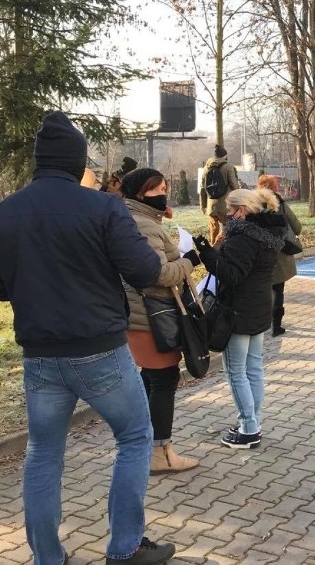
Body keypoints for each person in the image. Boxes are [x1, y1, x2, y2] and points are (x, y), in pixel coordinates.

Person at [0, 111, 175, 565]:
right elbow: (145, 271)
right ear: (77, 161)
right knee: (136, 436)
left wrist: (30, 290)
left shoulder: (0, 215)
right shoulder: (103, 207)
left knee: (43, 454)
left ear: (40, 160)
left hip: (40, 356)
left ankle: (48, 557)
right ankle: (125, 547)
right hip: (100, 349)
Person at [121, 168, 201, 475]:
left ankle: (144, 445)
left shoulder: (140, 219)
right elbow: (159, 275)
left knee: (150, 379)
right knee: (164, 379)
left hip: (141, 312)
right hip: (149, 314)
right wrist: (189, 261)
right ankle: (160, 454)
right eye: (157, 190)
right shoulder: (143, 224)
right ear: (140, 194)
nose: (163, 194)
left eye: (165, 187)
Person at [193, 188, 286, 449]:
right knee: (254, 368)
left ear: (241, 211)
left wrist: (205, 252)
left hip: (237, 312)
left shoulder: (243, 238)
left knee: (236, 372)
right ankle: (253, 421)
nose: (227, 217)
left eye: (230, 211)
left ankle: (248, 429)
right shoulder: (268, 233)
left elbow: (231, 275)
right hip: (258, 309)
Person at [255, 174, 302, 337]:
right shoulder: (279, 203)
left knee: (262, 289)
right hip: (279, 253)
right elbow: (297, 227)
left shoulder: (252, 203)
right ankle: (277, 326)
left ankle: (261, 322)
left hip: (259, 254)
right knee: (279, 289)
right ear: (273, 188)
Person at [200, 145, 240, 243]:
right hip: (226, 206)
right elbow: (234, 185)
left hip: (211, 206)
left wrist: (203, 205)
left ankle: (213, 249)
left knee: (213, 230)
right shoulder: (229, 167)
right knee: (227, 231)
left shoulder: (206, 167)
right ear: (225, 155)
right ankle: (224, 251)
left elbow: (202, 188)